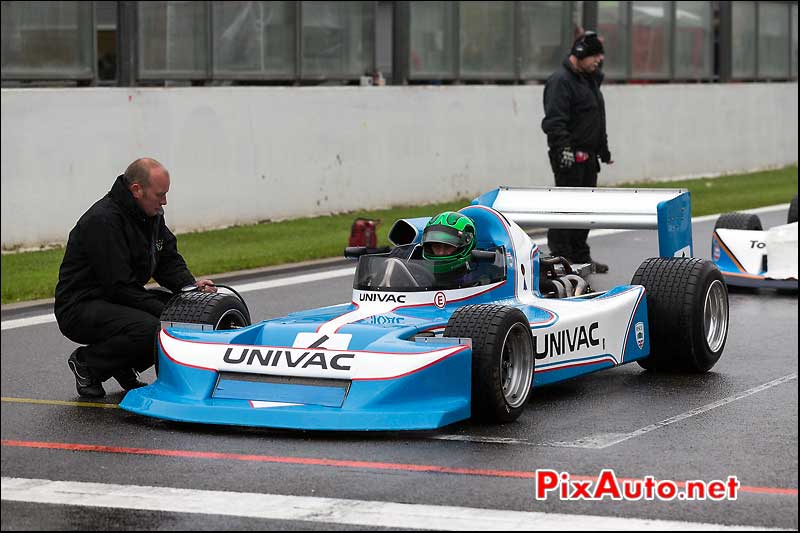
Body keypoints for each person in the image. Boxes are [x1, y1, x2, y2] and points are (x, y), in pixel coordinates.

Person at [55, 158, 217, 398]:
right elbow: (119, 286)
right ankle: (88, 363)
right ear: (137, 190)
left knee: (178, 309)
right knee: (153, 326)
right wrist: (164, 313)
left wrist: (190, 288)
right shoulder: (103, 221)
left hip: (114, 299)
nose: (164, 201)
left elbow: (167, 259)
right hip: (80, 306)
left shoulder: (150, 214)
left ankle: (123, 365)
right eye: (160, 194)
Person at [541, 31, 613, 273]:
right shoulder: (561, 81)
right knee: (566, 208)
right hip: (569, 156)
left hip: (589, 157)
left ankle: (581, 255)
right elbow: (555, 122)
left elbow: (597, 118)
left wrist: (603, 150)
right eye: (594, 56)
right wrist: (564, 151)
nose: (598, 61)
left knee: (585, 210)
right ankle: (561, 257)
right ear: (580, 54)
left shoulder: (589, 80)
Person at [421, 211, 485, 288]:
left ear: (466, 246)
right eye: (436, 246)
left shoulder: (479, 281)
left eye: (448, 246)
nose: (441, 253)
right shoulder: (417, 276)